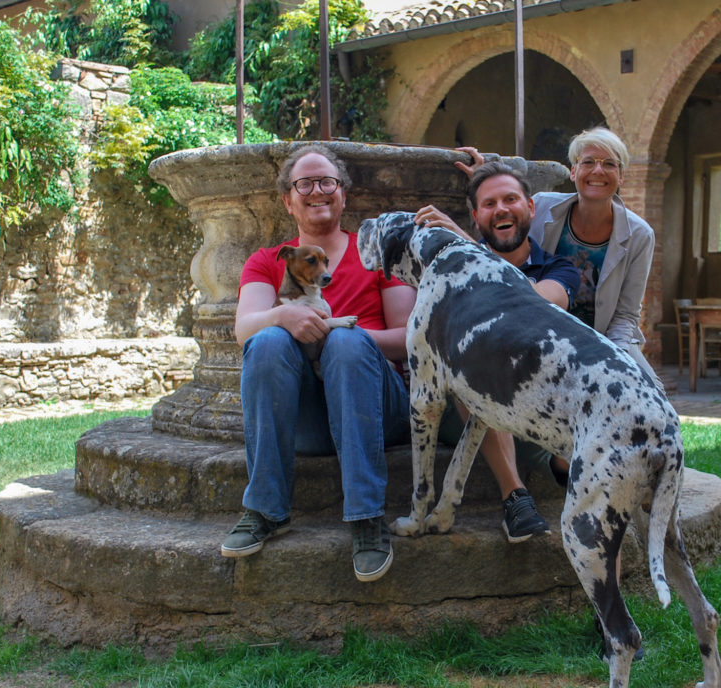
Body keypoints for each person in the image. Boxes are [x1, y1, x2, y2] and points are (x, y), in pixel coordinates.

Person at [454, 128, 655, 661]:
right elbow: (503, 206)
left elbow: (628, 318)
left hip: (593, 351)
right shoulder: (543, 207)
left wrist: (615, 365)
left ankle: (609, 608)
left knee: (601, 467)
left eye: (608, 163)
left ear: (621, 173)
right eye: (587, 161)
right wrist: (483, 169)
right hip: (533, 347)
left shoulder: (638, 235)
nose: (596, 172)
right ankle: (520, 496)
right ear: (572, 170)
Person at [220, 144, 416, 584]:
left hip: (377, 408)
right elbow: (244, 330)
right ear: (288, 200)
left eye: (327, 181)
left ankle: (367, 516)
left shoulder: (377, 255)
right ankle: (264, 510)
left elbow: (408, 338)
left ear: (343, 194)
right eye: (303, 184)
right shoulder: (267, 261)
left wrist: (339, 333)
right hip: (308, 420)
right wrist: (282, 315)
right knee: (268, 340)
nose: (316, 191)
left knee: (345, 344)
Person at [414, 162, 581, 543]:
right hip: (469, 406)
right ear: (476, 217)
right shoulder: (452, 271)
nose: (501, 209)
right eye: (489, 204)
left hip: (540, 406)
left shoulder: (559, 268)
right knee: (472, 365)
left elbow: (531, 306)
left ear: (531, 207)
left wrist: (463, 242)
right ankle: (516, 498)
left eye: (510, 199)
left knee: (574, 457)